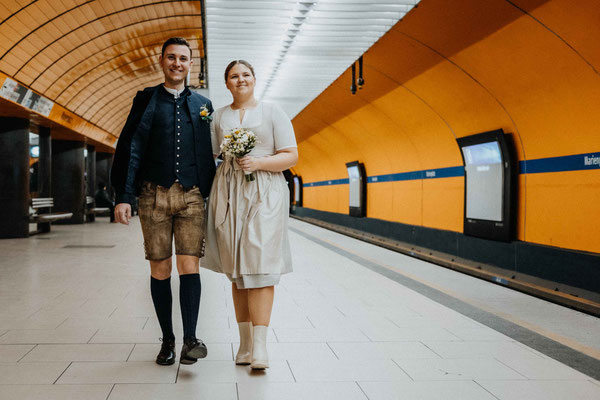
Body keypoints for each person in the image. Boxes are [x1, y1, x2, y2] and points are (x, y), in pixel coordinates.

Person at [111, 37, 216, 366]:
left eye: (183, 59)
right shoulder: (145, 100)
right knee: (160, 268)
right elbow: (130, 147)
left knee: (189, 266)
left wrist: (213, 193)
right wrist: (123, 196)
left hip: (192, 197)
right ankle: (167, 340)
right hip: (152, 195)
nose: (177, 63)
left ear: (190, 65)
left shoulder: (203, 104)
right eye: (171, 57)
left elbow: (208, 153)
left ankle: (190, 339)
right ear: (162, 61)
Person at [203, 60, 298, 370]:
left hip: (265, 192)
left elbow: (291, 155)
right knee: (237, 269)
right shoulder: (218, 116)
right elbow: (209, 155)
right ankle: (244, 346)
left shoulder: (273, 112)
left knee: (260, 265)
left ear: (255, 79)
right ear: (227, 83)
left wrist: (258, 163)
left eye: (245, 75)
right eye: (233, 76)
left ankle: (261, 347)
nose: (240, 80)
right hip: (229, 193)